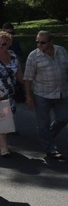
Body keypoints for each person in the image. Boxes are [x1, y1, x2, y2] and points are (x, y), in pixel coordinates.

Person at [23, 30, 68, 161]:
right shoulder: (33, 56)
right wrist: (28, 96)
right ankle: (51, 149)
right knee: (43, 123)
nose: (39, 44)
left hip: (62, 92)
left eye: (42, 42)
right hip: (42, 94)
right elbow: (28, 78)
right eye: (37, 42)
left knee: (64, 117)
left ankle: (46, 137)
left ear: (51, 42)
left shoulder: (62, 51)